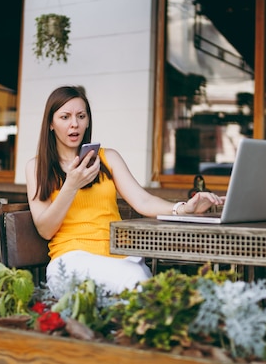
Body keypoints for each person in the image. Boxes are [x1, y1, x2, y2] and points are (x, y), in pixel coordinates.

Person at [25, 86, 224, 296]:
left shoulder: (107, 158)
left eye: (81, 116)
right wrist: (71, 185)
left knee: (152, 288)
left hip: (120, 257)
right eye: (65, 117)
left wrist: (183, 208)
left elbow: (143, 201)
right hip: (70, 262)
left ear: (88, 121)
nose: (74, 123)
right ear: (50, 124)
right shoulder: (37, 167)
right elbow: (45, 229)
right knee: (138, 282)